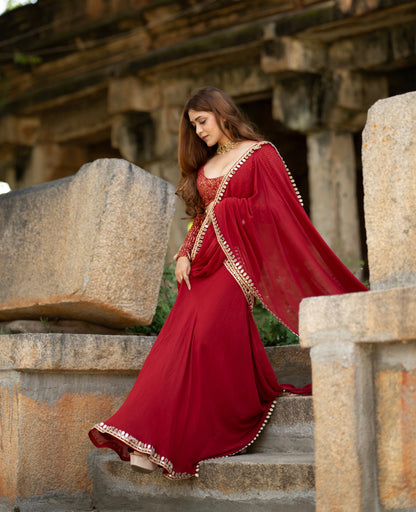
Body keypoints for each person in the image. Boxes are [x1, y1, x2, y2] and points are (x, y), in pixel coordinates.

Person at [88, 86, 367, 480]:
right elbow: (201, 216)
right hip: (201, 266)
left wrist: (228, 208)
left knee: (203, 341)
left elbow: (280, 208)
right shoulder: (206, 167)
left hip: (238, 265)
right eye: (193, 126)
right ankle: (146, 437)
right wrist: (184, 252)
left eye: (202, 121)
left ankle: (181, 437)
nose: (199, 131)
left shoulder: (260, 154)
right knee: (175, 342)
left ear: (221, 113)